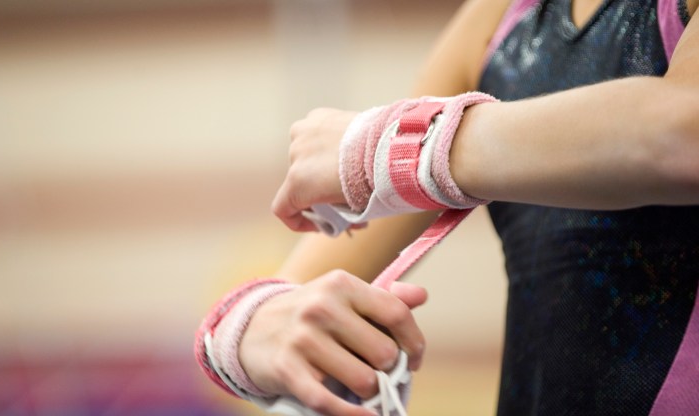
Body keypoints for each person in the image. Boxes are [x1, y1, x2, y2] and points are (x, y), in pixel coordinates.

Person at [196, 0, 699, 415]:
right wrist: (253, 332)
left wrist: (394, 146)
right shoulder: (497, 18)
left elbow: (681, 136)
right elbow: (296, 289)